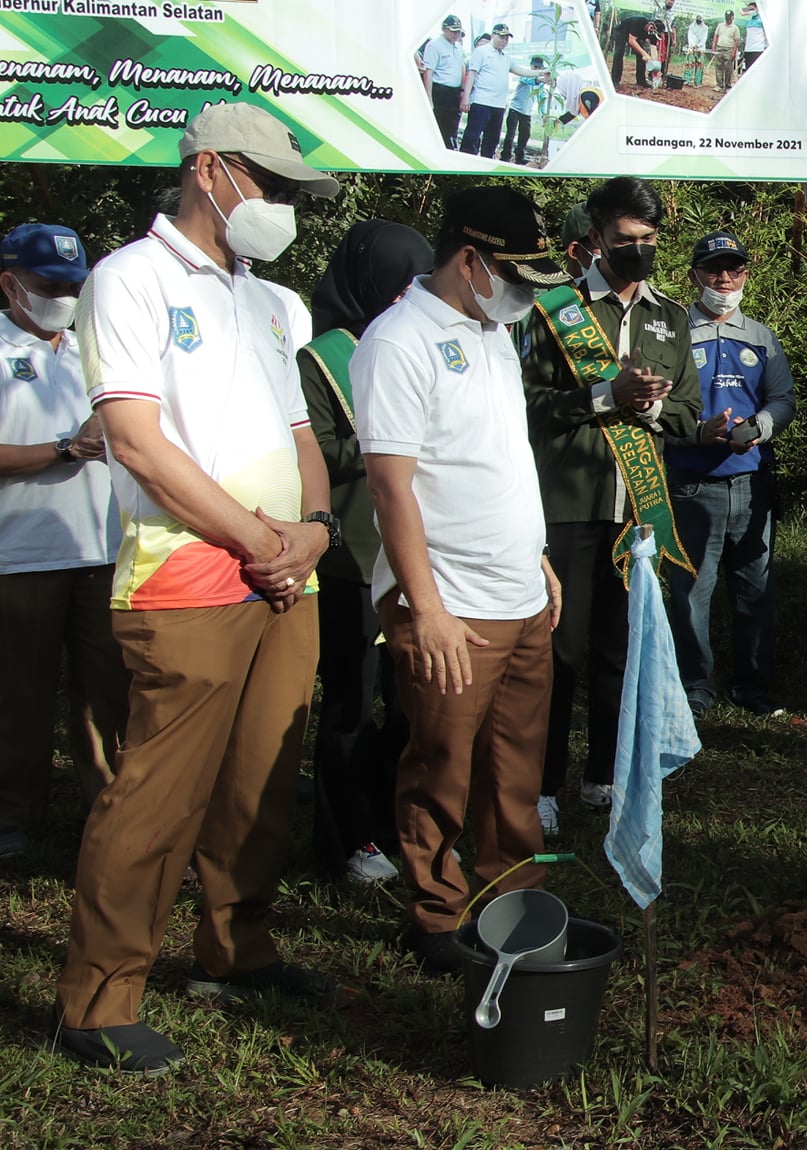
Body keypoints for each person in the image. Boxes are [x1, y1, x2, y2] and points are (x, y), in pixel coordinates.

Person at [53, 103, 339, 1073]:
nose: (285, 206)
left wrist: (315, 528)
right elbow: (135, 440)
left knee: (261, 780)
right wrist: (258, 536)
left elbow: (303, 436)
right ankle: (98, 1001)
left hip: (281, 579)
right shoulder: (126, 279)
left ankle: (235, 950)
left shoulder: (264, 297)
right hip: (186, 576)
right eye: (271, 184)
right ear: (209, 169)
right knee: (155, 801)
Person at [357, 186, 568, 974]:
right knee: (441, 766)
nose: (524, 295)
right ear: (470, 261)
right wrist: (426, 608)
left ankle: (509, 900)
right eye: (515, 276)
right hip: (450, 602)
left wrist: (537, 554)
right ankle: (435, 916)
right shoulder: (400, 340)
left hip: (517, 591)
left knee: (517, 771)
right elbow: (390, 487)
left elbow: (500, 457)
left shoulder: (494, 333)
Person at [521, 177, 699, 833]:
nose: (639, 252)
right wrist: (605, 395)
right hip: (569, 502)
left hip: (638, 510)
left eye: (649, 241)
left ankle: (601, 774)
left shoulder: (671, 317)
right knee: (559, 649)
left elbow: (687, 412)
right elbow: (528, 406)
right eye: (626, 241)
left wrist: (649, 403)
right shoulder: (552, 310)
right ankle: (542, 782)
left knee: (618, 651)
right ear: (595, 237)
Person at [300, 219, 434, 885]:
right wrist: (390, 441)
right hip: (349, 555)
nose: (409, 295)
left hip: (412, 550)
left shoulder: (418, 343)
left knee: (411, 699)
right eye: (399, 282)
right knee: (351, 702)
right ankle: (347, 837)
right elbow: (314, 449)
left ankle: (395, 821)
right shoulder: (322, 357)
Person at [0, 223, 124, 862]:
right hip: (19, 556)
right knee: (18, 695)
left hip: (100, 551)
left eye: (74, 287)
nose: (63, 298)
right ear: (10, 283)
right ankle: (12, 818)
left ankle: (103, 814)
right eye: (50, 286)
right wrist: (62, 449)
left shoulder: (92, 351)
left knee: (103, 695)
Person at [666, 231, 795, 718]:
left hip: (751, 482)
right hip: (692, 483)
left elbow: (783, 399)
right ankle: (696, 689)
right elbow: (656, 406)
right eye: (714, 269)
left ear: (746, 274)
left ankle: (753, 688)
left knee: (755, 590)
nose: (725, 279)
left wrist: (759, 427)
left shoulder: (761, 336)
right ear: (695, 274)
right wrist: (697, 431)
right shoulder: (673, 331)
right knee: (690, 592)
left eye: (734, 269)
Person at [461, 24, 548, 158]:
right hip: (481, 102)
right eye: (501, 37)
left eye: (507, 38)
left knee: (492, 139)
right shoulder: (481, 52)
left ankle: (486, 163)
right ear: (493, 36)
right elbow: (472, 75)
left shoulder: (506, 58)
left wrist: (541, 72)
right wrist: (466, 97)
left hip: (498, 105)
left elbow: (521, 71)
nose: (504, 41)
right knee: (472, 136)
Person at [417, 15, 467, 148]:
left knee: (452, 129)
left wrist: (462, 90)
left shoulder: (458, 47)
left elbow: (461, 69)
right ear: (444, 29)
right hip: (440, 91)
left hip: (454, 93)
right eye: (453, 31)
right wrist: (429, 97)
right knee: (438, 128)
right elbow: (429, 72)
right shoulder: (434, 46)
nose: (456, 34)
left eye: (458, 31)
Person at [499, 56, 549, 165]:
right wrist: (539, 79)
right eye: (535, 67)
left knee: (525, 135)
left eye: (539, 67)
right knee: (510, 134)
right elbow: (528, 80)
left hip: (527, 112)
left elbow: (541, 98)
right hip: (515, 109)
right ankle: (505, 156)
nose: (536, 69)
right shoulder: (525, 75)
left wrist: (544, 115)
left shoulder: (540, 83)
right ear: (531, 66)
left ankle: (519, 157)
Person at [612, 13, 668, 90]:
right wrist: (644, 53)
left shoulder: (653, 34)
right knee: (619, 52)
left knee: (641, 56)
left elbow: (653, 48)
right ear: (650, 24)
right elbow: (631, 40)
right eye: (651, 29)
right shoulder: (638, 21)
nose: (651, 31)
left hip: (635, 36)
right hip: (622, 31)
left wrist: (655, 65)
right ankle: (615, 80)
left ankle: (641, 80)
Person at [710, 11, 743, 91]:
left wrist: (734, 52)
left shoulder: (735, 28)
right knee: (718, 67)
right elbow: (716, 36)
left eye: (730, 17)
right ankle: (719, 85)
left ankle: (727, 85)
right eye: (727, 17)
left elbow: (736, 41)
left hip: (729, 49)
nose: (728, 19)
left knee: (728, 69)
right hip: (719, 48)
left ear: (732, 17)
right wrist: (713, 46)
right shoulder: (720, 26)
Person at [740, 2, 768, 72]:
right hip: (748, 50)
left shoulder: (762, 20)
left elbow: (766, 35)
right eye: (749, 9)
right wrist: (749, 10)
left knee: (757, 71)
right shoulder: (750, 21)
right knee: (748, 71)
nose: (750, 11)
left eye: (752, 9)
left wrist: (766, 47)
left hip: (758, 50)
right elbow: (741, 11)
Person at [683, 15, 710, 86]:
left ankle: (697, 82)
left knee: (699, 65)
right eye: (697, 20)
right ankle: (687, 80)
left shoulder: (705, 28)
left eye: (700, 20)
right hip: (692, 48)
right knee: (689, 64)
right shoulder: (691, 27)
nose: (698, 21)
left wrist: (699, 45)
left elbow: (704, 38)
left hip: (700, 48)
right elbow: (690, 36)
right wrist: (692, 45)